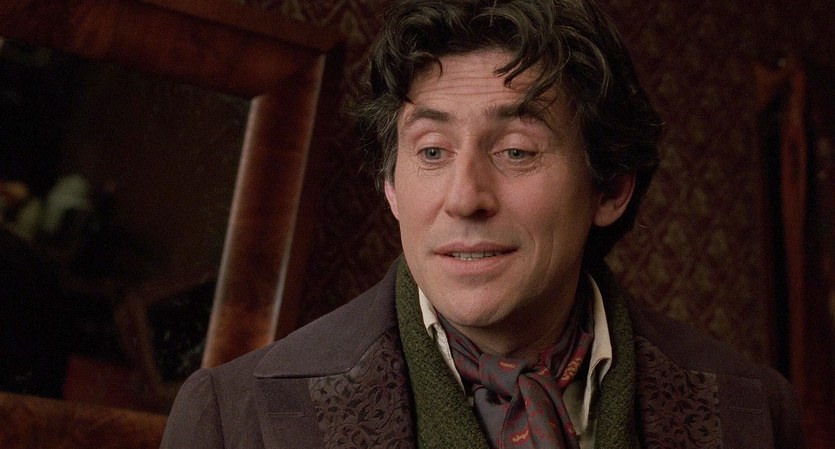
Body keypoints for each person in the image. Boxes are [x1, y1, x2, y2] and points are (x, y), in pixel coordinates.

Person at [161, 0, 804, 448]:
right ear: (391, 186)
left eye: (516, 151)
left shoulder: (754, 412)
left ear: (610, 187)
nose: (465, 197)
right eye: (431, 152)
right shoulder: (234, 418)